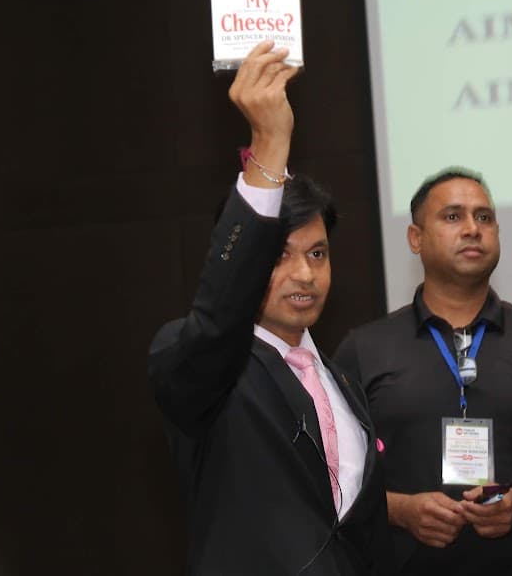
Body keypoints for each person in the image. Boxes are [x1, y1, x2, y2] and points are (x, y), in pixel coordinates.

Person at [148, 41, 393, 575]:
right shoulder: (206, 362)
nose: (304, 273)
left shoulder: (341, 382)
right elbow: (218, 319)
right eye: (280, 254)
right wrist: (269, 145)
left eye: (318, 253)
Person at [334, 168, 512, 575]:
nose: (473, 228)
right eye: (453, 216)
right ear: (415, 239)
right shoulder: (364, 349)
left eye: (484, 217)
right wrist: (400, 510)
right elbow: (325, 484)